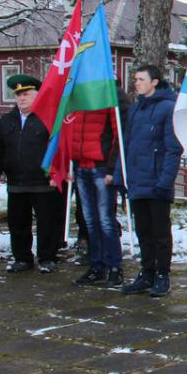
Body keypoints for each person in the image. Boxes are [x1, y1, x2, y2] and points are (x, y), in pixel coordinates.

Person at [113, 65, 180, 297]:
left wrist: (165, 182)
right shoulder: (135, 109)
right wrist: (121, 175)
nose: (137, 83)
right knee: (143, 231)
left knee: (160, 232)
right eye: (135, 79)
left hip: (157, 181)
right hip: (137, 181)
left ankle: (162, 274)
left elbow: (173, 149)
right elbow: (126, 144)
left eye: (141, 79)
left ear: (154, 82)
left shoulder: (168, 108)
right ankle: (147, 271)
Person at [0, 74, 62, 273]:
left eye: (26, 94)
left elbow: (58, 149)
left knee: (46, 222)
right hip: (16, 181)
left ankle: (47, 258)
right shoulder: (6, 121)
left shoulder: (48, 119)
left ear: (37, 95)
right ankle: (22, 258)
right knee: (18, 222)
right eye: (18, 95)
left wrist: (56, 174)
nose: (21, 98)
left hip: (42, 182)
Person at [66, 107, 124, 288]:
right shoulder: (76, 101)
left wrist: (111, 168)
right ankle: (97, 265)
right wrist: (70, 163)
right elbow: (69, 131)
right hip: (81, 167)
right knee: (90, 220)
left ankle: (114, 266)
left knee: (105, 220)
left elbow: (118, 136)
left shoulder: (107, 100)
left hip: (101, 167)